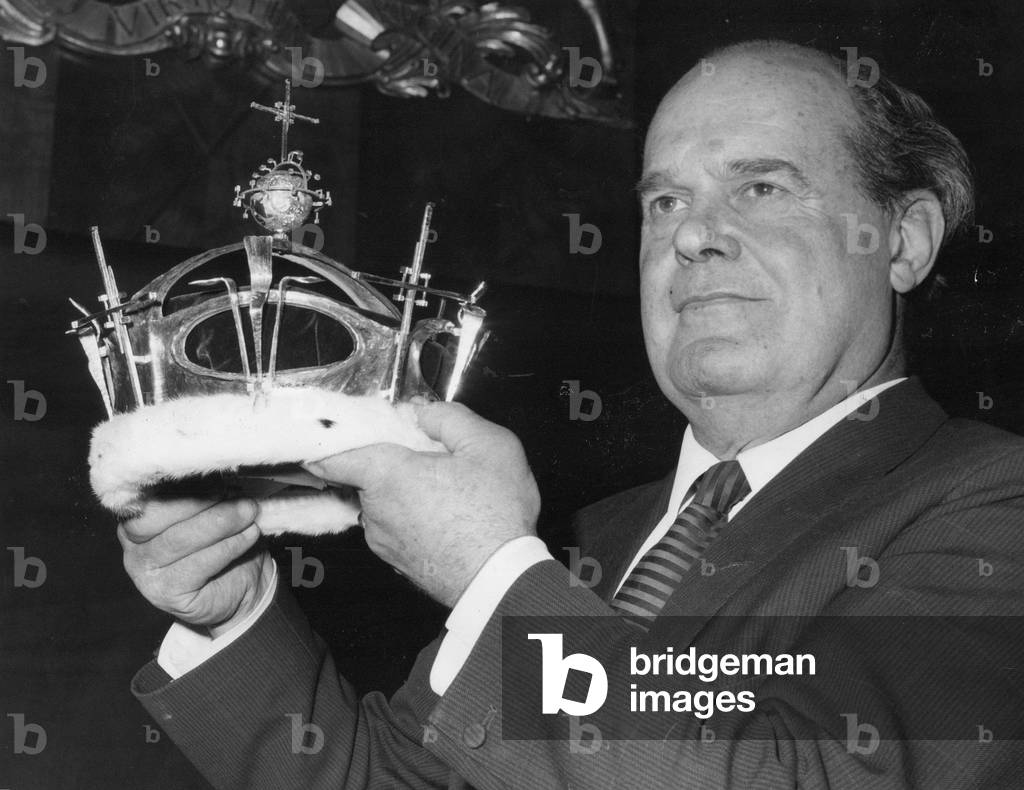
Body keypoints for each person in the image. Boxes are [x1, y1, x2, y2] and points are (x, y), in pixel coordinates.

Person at [119, 40, 1024, 789]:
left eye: (761, 187)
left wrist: (488, 572)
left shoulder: (990, 506)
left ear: (904, 239)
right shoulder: (589, 538)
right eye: (666, 201)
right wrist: (233, 615)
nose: (691, 235)